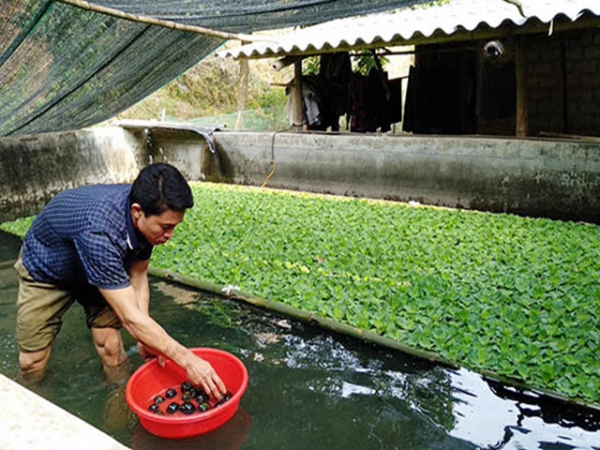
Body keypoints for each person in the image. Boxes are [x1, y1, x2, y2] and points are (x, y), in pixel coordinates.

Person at [13, 163, 226, 399]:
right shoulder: (100, 232)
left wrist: (145, 337)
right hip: (48, 269)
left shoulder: (145, 212)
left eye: (175, 227)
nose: (170, 235)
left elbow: (138, 273)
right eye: (166, 227)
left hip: (104, 270)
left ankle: (121, 407)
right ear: (137, 212)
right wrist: (188, 360)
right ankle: (32, 407)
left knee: (112, 348)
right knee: (32, 361)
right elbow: (129, 318)